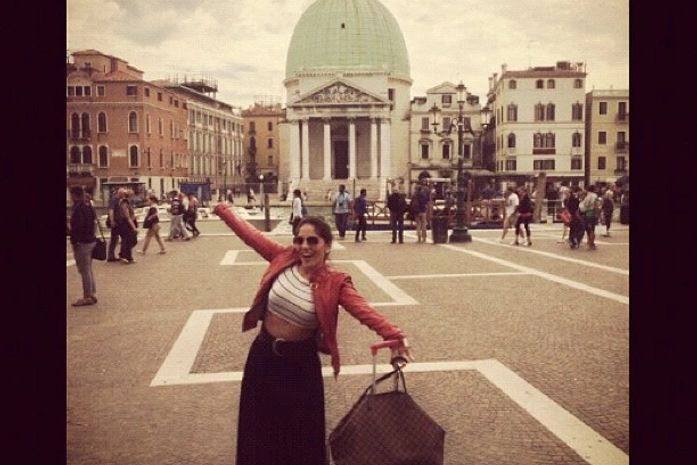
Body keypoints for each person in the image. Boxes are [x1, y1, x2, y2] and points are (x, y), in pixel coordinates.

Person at [211, 204, 413, 465]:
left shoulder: (335, 282)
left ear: (327, 246)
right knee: (258, 428)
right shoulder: (283, 257)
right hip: (263, 357)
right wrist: (223, 210)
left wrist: (394, 334)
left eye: (312, 241)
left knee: (300, 436)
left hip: (300, 365)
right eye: (299, 240)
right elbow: (250, 235)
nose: (304, 247)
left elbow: (363, 310)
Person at [69, 186, 98, 306]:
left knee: (84, 270)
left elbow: (78, 227)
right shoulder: (89, 206)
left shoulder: (78, 208)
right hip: (91, 240)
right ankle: (92, 293)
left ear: (74, 195)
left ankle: (88, 296)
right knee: (88, 269)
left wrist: (75, 241)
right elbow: (93, 222)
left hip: (82, 243)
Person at [117, 189, 138, 263]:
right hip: (125, 224)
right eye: (132, 195)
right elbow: (127, 217)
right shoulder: (124, 203)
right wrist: (134, 227)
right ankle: (123, 256)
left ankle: (128, 256)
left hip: (128, 223)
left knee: (129, 240)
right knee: (127, 240)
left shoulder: (128, 203)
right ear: (130, 195)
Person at [579, 185, 600, 250]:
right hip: (593, 213)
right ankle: (591, 244)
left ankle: (589, 242)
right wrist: (597, 214)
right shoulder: (594, 195)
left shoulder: (587, 196)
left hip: (587, 213)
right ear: (594, 189)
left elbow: (583, 205)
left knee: (589, 229)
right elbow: (596, 205)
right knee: (592, 229)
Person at [107, 188, 125, 262]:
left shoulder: (118, 200)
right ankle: (111, 256)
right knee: (116, 238)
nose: (123, 195)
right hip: (116, 222)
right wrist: (112, 220)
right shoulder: (114, 200)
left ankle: (111, 256)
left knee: (115, 238)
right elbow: (111, 210)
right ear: (119, 193)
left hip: (118, 222)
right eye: (122, 193)